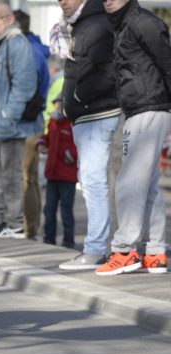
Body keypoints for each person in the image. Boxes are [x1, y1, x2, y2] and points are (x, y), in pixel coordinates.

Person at [95, 0, 171, 276]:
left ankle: (125, 250)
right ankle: (156, 252)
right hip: (141, 108)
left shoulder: (143, 23)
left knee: (129, 182)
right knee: (147, 185)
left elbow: (168, 65)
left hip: (149, 107)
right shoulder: (123, 25)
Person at [51, 0, 122, 270]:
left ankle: (95, 249)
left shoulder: (96, 24)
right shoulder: (78, 25)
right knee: (91, 181)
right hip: (86, 115)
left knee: (94, 183)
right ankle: (101, 248)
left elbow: (107, 72)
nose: (63, 1)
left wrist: (79, 95)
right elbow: (78, 69)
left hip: (98, 115)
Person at [0, 1, 38, 239]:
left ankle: (13, 223)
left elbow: (23, 86)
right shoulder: (0, 44)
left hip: (10, 124)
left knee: (11, 175)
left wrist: (7, 117)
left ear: (9, 19)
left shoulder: (16, 43)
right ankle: (1, 219)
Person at [12, 10, 50, 241]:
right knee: (31, 176)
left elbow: (25, 89)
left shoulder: (28, 51)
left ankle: (28, 228)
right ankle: (31, 226)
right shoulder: (36, 50)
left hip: (26, 122)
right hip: (34, 120)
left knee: (26, 177)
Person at [36, 95, 78, 248]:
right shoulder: (52, 122)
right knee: (49, 209)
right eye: (56, 104)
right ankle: (49, 239)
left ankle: (68, 241)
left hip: (67, 176)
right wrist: (41, 143)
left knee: (66, 210)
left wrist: (70, 155)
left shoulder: (73, 124)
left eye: (60, 103)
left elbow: (78, 146)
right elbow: (47, 138)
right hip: (52, 174)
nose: (57, 106)